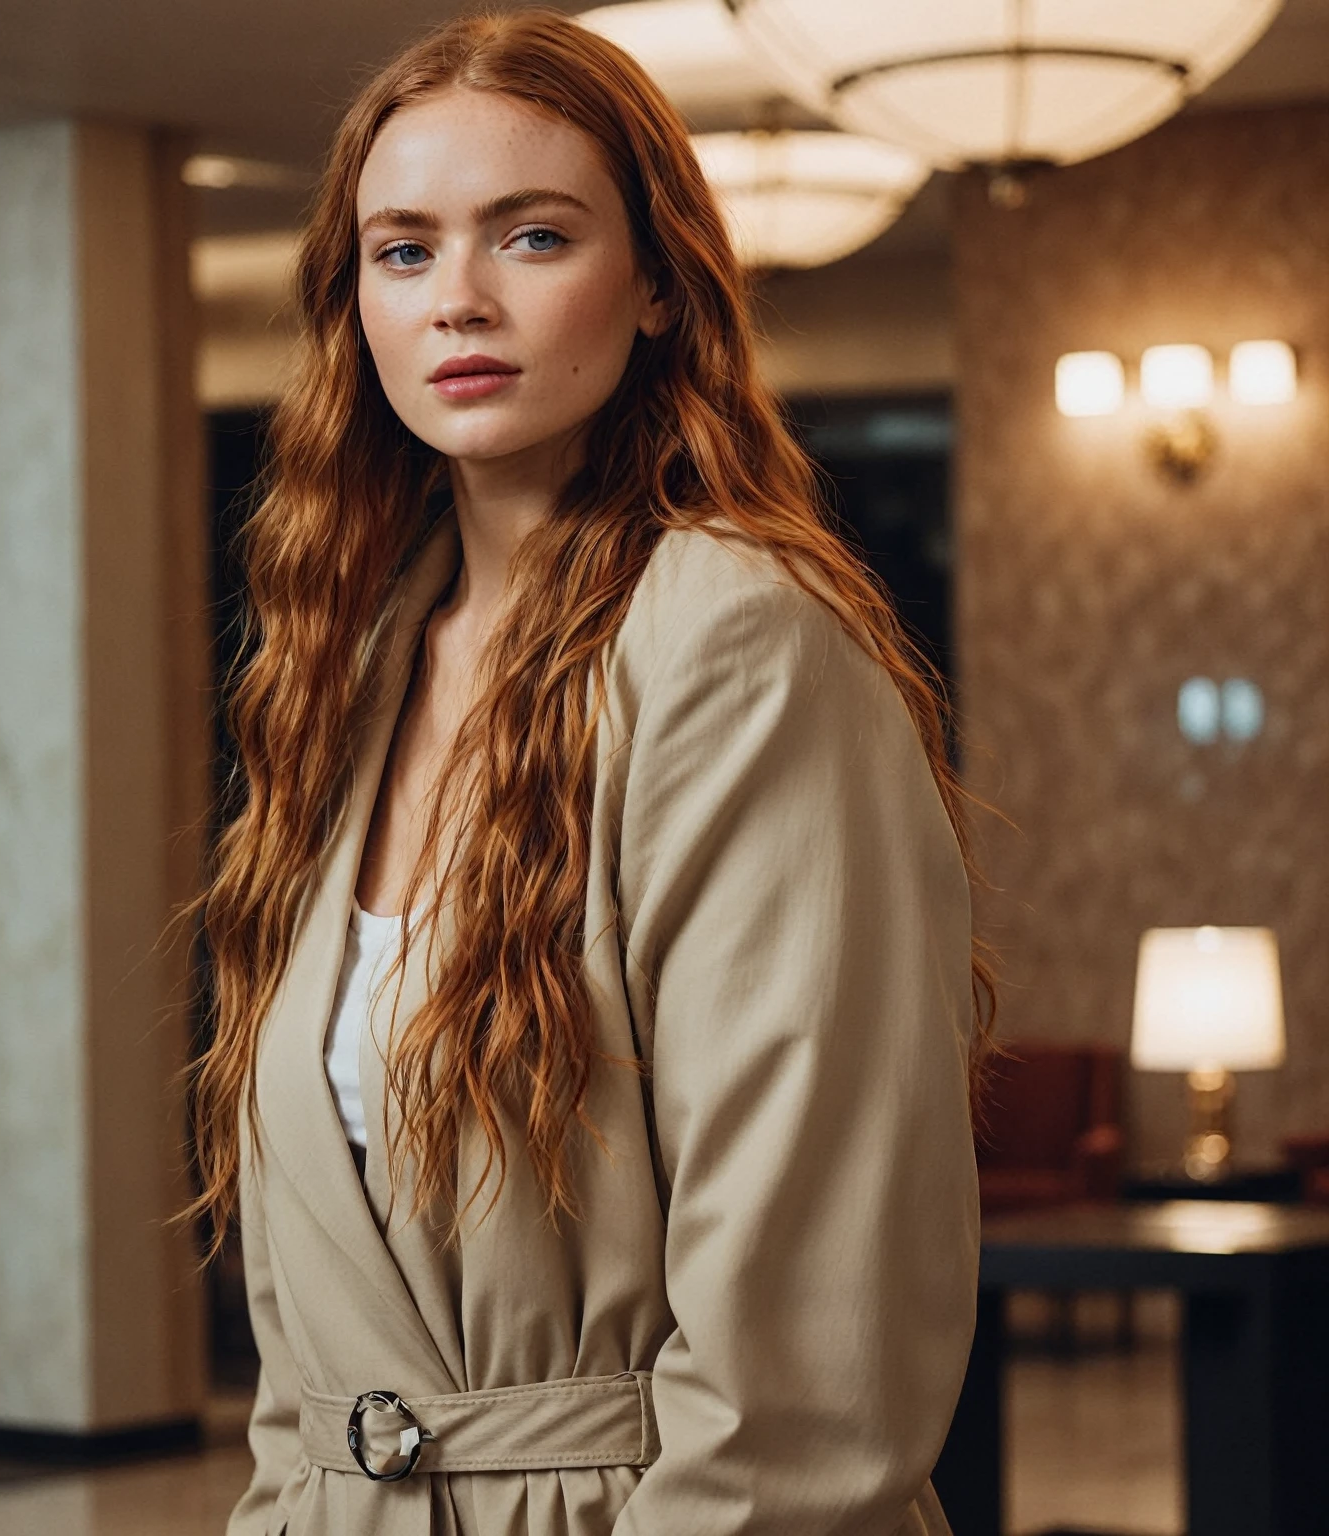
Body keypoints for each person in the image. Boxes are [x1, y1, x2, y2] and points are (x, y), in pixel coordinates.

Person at [189, 10, 988, 1535]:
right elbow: (308, 1363)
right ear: (352, 300)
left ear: (662, 288)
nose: (459, 302)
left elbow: (804, 1369)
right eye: (404, 251)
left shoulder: (735, 642)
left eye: (533, 237)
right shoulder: (347, 674)